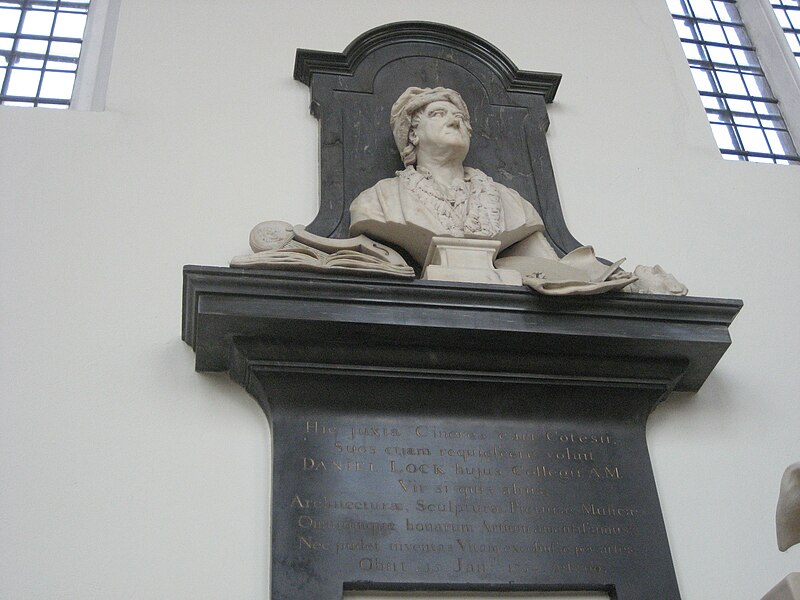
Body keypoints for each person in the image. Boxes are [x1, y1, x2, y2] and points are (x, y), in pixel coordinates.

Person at [349, 86, 680, 295]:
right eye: (439, 114)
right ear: (413, 136)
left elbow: (554, 269)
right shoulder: (379, 201)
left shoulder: (511, 204)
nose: (456, 122)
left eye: (461, 118)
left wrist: (627, 284)